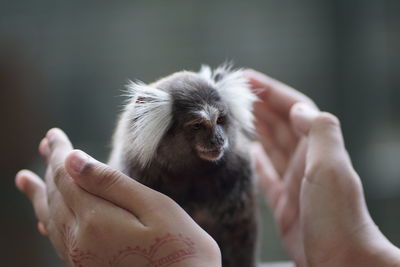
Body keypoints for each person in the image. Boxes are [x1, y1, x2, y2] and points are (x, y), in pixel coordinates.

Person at [15, 70, 400, 267]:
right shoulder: (137, 172)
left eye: (221, 123)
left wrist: (355, 250)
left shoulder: (238, 169)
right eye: (197, 128)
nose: (216, 138)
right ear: (159, 135)